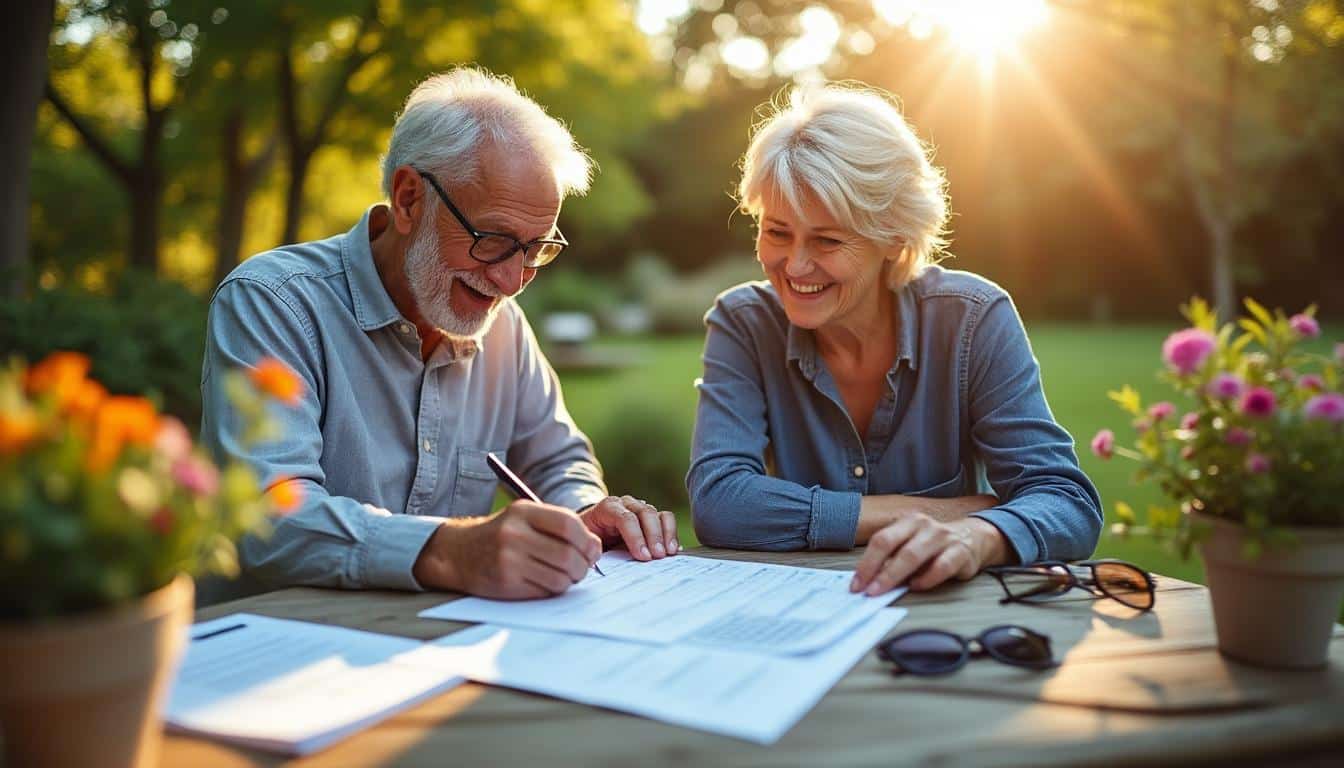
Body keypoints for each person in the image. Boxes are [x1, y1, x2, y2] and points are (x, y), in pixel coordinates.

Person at [201, 68, 677, 601]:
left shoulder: (502, 324)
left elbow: (557, 460)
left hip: (431, 651)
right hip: (274, 652)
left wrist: (583, 513)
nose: (511, 280)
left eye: (536, 248)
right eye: (493, 239)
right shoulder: (274, 302)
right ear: (408, 200)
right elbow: (267, 516)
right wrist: (451, 549)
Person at [688, 83, 1101, 597]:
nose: (794, 265)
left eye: (827, 239)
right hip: (801, 615)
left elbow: (1067, 503)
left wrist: (979, 535)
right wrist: (939, 511)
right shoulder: (744, 322)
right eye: (776, 232)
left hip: (952, 616)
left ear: (895, 237)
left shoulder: (972, 320)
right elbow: (721, 504)